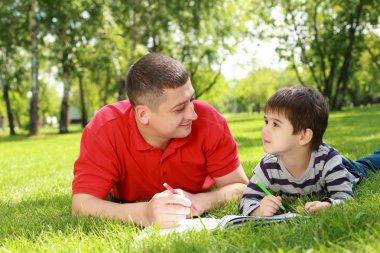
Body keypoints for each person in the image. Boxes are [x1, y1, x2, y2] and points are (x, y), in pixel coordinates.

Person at [72, 53, 248, 228]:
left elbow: (240, 186)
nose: (193, 114)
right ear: (143, 114)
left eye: (191, 99)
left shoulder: (209, 121)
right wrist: (145, 213)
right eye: (179, 109)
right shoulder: (105, 128)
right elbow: (81, 205)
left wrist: (201, 201)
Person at [239, 86, 380, 217]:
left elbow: (344, 196)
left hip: (346, 167)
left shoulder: (329, 161)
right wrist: (258, 210)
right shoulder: (267, 165)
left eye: (275, 124)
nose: (265, 129)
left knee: (370, 164)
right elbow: (247, 198)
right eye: (266, 122)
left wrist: (328, 205)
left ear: (303, 136)